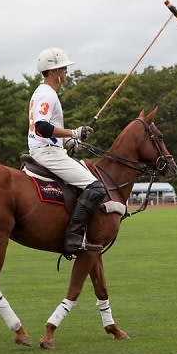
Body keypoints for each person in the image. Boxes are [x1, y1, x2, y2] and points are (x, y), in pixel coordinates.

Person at [28, 47, 106, 253]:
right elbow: (42, 128)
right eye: (63, 68)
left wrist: (68, 142)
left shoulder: (43, 92)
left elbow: (45, 130)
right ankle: (73, 237)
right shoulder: (47, 95)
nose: (66, 72)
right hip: (46, 152)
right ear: (53, 71)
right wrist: (74, 132)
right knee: (96, 188)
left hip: (49, 148)